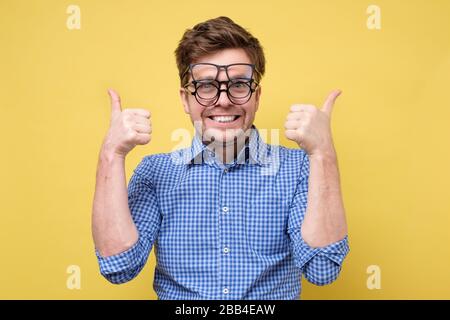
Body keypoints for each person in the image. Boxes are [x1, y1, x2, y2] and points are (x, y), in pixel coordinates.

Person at [92, 16, 349, 300]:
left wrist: (323, 153)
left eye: (239, 84)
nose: (224, 100)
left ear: (257, 96)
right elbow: (118, 267)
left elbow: (322, 269)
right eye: (206, 86)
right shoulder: (155, 172)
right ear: (185, 100)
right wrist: (111, 154)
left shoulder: (299, 167)